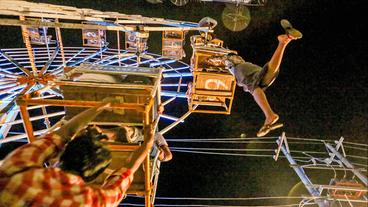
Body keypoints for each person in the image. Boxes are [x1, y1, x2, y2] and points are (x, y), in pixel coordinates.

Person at [0, 100, 154, 207]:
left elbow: (64, 132)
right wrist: (147, 143)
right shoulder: (92, 201)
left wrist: (101, 105)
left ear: (61, 153)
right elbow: (126, 172)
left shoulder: (20, 169)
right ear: (93, 177)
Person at [224, 19, 302, 137]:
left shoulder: (230, 61)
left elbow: (227, 58)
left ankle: (269, 114)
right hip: (247, 68)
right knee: (267, 74)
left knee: (253, 85)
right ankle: (284, 42)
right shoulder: (234, 62)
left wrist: (218, 60)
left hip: (241, 69)